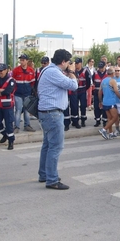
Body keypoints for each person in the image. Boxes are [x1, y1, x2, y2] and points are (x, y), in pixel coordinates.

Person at [37, 49, 78, 190]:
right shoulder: (53, 72)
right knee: (55, 147)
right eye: (68, 62)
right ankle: (52, 180)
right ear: (63, 62)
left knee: (47, 145)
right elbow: (74, 85)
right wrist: (72, 73)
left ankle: (44, 174)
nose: (69, 65)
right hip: (53, 113)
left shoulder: (48, 70)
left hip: (47, 112)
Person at [98, 67, 120, 140]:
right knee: (115, 117)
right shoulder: (112, 81)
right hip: (111, 102)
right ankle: (104, 129)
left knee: (110, 118)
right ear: (112, 73)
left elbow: (100, 92)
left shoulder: (103, 81)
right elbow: (116, 91)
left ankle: (110, 133)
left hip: (105, 102)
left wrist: (100, 101)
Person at [12, 54, 36, 133]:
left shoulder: (31, 71)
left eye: (23, 60)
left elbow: (32, 83)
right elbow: (13, 82)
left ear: (27, 61)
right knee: (18, 110)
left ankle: (27, 125)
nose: (21, 61)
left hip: (27, 94)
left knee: (26, 110)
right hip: (18, 94)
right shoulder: (16, 70)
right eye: (20, 60)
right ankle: (16, 126)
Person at [72, 58, 91, 128]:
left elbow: (88, 82)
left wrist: (84, 89)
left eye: (77, 63)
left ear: (81, 63)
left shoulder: (85, 71)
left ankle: (83, 120)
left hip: (82, 91)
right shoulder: (73, 71)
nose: (76, 65)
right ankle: (75, 121)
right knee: (75, 107)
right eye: (75, 63)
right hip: (75, 91)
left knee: (83, 106)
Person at [93, 61, 108, 127]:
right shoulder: (95, 73)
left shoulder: (108, 73)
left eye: (102, 67)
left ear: (105, 66)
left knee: (105, 107)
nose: (100, 69)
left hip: (105, 93)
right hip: (97, 93)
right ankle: (97, 120)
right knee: (96, 107)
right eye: (99, 67)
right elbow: (92, 82)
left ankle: (105, 121)